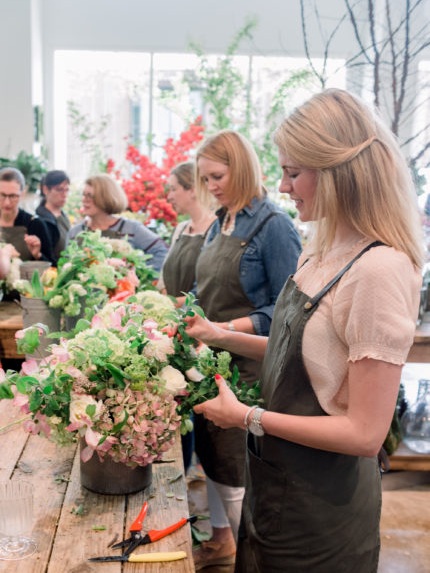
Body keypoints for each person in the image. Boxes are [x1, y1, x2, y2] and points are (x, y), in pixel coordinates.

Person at [185, 89, 423, 572]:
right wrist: (220, 335)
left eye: (294, 172)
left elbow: (363, 432)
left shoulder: (378, 270)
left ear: (340, 174)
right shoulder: (321, 248)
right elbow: (307, 350)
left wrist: (248, 417)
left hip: (324, 509)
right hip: (276, 484)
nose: (284, 185)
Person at [191, 130, 302, 569]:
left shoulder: (274, 228)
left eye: (217, 176)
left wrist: (224, 328)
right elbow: (204, 286)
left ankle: (250, 559)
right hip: (211, 362)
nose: (212, 186)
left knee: (237, 468)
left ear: (241, 167)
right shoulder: (221, 222)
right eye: (205, 179)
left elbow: (289, 311)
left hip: (249, 370)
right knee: (213, 457)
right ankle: (222, 540)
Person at [158, 161, 216, 473]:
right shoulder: (181, 228)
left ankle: (185, 472)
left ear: (192, 189)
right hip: (167, 326)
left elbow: (202, 291)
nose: (168, 195)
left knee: (185, 400)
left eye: (173, 189)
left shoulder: (213, 230)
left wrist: (166, 303)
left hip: (192, 331)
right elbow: (165, 277)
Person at [68, 174, 167, 272]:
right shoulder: (75, 233)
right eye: (84, 195)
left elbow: (162, 251)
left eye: (90, 196)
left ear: (105, 198)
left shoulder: (131, 229)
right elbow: (67, 267)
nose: (84, 200)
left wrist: (141, 276)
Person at [0, 167, 54, 263]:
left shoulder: (35, 224)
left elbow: (53, 267)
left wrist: (38, 255)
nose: (7, 203)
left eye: (13, 196)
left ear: (22, 193)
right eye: (2, 195)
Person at [36, 170, 71, 265]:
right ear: (45, 190)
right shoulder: (40, 220)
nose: (64, 194)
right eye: (59, 189)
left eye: (66, 190)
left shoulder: (63, 215)